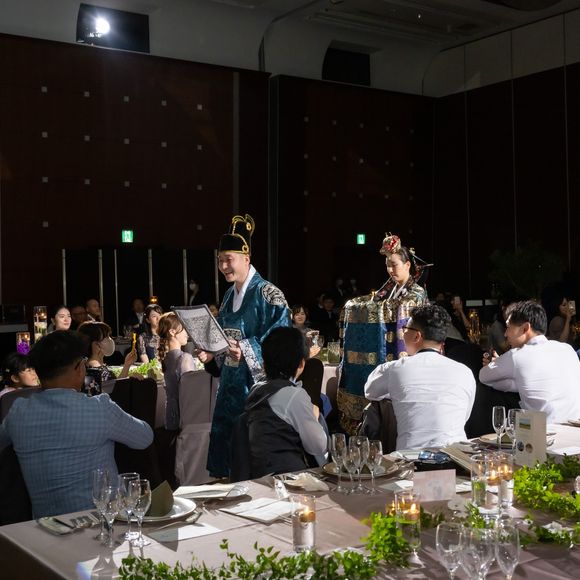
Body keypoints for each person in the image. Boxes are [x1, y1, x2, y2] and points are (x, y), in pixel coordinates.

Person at [0, 331, 153, 518]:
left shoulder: (18, 412)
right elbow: (145, 437)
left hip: (43, 526)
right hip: (99, 522)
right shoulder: (99, 408)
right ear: (79, 368)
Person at [197, 214, 291, 478]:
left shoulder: (269, 294)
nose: (223, 266)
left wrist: (247, 349)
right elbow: (222, 336)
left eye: (229, 259)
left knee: (251, 459)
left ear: (246, 258)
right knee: (228, 462)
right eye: (220, 260)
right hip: (229, 386)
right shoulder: (229, 295)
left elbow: (282, 342)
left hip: (256, 391)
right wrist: (211, 352)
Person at [338, 233, 428, 433]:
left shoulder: (416, 293)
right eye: (387, 265)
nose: (390, 270)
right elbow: (374, 302)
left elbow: (401, 308)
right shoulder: (390, 289)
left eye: (394, 265)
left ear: (407, 265)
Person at [364, 304, 475, 450]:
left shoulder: (395, 369)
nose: (403, 334)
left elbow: (370, 391)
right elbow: (464, 417)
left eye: (405, 329)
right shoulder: (465, 372)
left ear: (417, 336)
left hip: (410, 458)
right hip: (457, 456)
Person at [480, 300, 580, 424]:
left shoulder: (517, 355)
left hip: (543, 432)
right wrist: (515, 379)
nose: (505, 334)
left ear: (525, 328)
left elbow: (483, 376)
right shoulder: (567, 349)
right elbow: (531, 385)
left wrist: (497, 364)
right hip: (575, 429)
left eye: (508, 327)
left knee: (484, 391)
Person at [245, 327, 327, 477]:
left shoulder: (257, 389)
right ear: (301, 364)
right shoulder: (293, 395)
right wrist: (314, 415)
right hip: (288, 477)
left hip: (257, 473)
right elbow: (317, 446)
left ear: (265, 362)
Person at [157, 312, 197, 430]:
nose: (187, 333)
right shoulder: (184, 358)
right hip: (184, 417)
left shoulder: (165, 358)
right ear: (172, 332)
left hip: (169, 416)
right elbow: (190, 394)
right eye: (184, 328)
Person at [77, 321, 137, 395]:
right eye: (107, 337)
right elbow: (116, 393)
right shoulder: (99, 371)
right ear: (96, 345)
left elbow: (114, 385)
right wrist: (131, 381)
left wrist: (127, 365)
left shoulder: (84, 366)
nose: (111, 340)